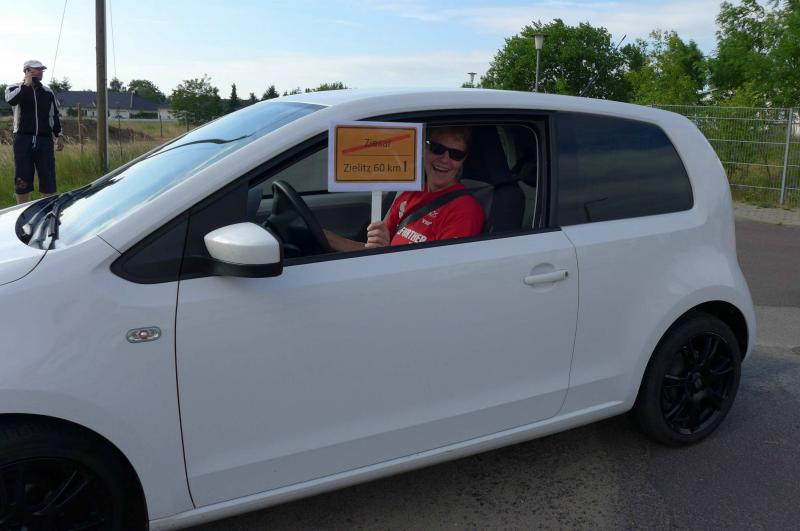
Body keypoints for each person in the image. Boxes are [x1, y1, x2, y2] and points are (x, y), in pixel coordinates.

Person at [325, 126, 484, 251]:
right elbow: (377, 249)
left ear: (464, 159)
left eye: (456, 154)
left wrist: (385, 254)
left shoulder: (464, 210)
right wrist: (328, 238)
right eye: (437, 149)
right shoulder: (410, 192)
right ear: (425, 148)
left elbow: (442, 271)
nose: (444, 159)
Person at [4, 59, 65, 204]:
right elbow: (11, 101)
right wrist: (26, 85)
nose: (40, 72)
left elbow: (53, 115)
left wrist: (59, 135)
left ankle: (48, 210)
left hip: (44, 140)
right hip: (23, 138)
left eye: (41, 69)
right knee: (22, 177)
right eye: (36, 69)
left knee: (48, 176)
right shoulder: (13, 88)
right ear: (27, 71)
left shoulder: (47, 92)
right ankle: (22, 211)